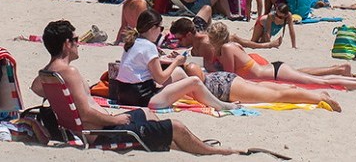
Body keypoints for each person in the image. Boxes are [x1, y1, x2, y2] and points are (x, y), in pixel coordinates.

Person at [30, 20, 244, 155]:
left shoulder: (48, 73)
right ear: (67, 44)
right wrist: (116, 119)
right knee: (176, 126)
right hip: (99, 133)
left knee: (146, 113)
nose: (79, 43)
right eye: (75, 39)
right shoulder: (70, 72)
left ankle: (181, 146)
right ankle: (214, 152)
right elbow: (86, 113)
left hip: (89, 129)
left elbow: (36, 88)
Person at [170, 23, 342, 111]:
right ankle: (318, 95)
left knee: (277, 93)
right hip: (230, 84)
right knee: (277, 91)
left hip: (230, 85)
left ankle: (319, 96)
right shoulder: (194, 81)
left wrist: (177, 63)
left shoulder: (192, 75)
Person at [115, 10, 237, 111]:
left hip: (123, 94)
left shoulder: (133, 42)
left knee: (179, 72)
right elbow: (160, 79)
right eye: (161, 28)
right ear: (153, 28)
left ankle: (201, 97)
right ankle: (221, 105)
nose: (161, 32)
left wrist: (170, 62)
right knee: (194, 81)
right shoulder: (149, 46)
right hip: (143, 99)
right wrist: (176, 61)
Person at [207, 22, 356, 90]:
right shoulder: (232, 45)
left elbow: (230, 76)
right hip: (272, 70)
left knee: (320, 83)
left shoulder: (228, 48)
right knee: (316, 80)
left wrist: (212, 66)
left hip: (273, 73)